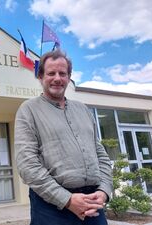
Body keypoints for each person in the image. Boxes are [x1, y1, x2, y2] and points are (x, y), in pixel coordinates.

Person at [15, 49, 113, 225]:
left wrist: (104, 190)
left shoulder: (83, 109)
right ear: (40, 77)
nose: (57, 78)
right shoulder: (28, 110)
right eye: (51, 73)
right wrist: (67, 200)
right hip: (51, 208)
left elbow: (101, 154)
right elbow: (27, 164)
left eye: (63, 73)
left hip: (93, 202)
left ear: (69, 77)